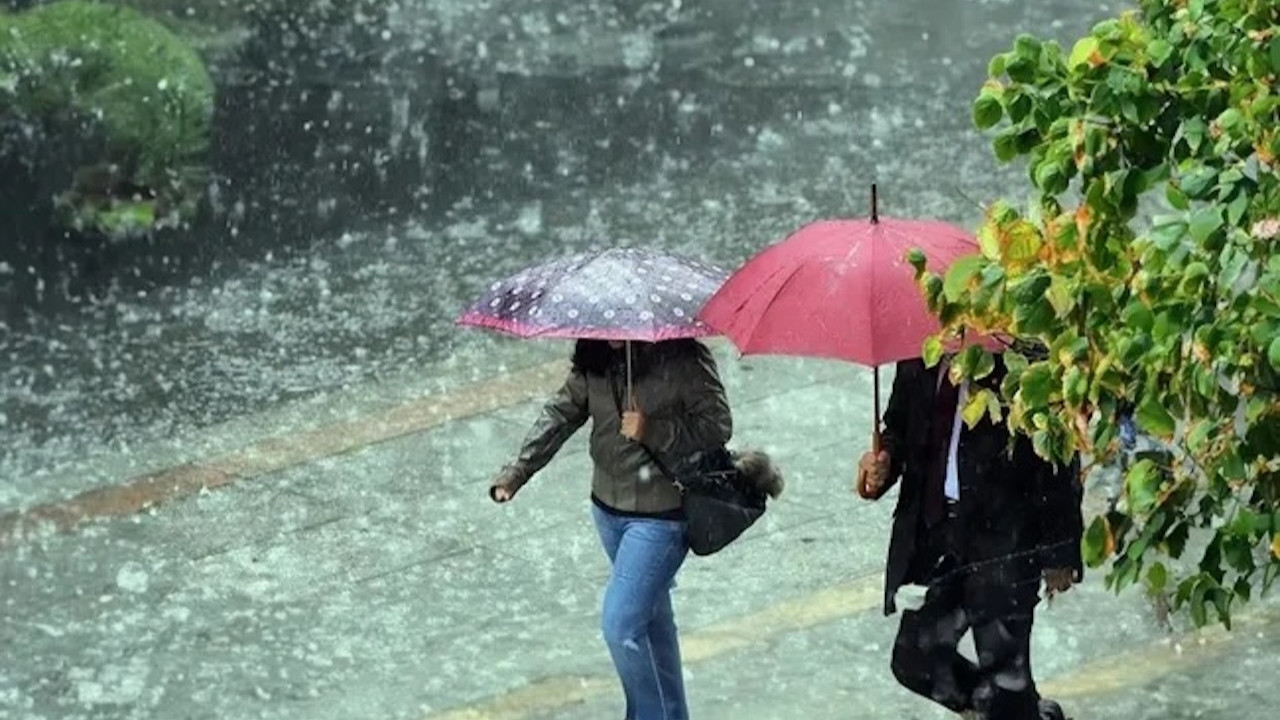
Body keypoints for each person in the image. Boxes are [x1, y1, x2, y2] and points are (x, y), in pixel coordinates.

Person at [490, 338, 753, 720]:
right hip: (607, 510)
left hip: (660, 515)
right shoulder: (594, 355)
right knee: (652, 621)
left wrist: (654, 430)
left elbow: (717, 425)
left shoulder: (684, 357)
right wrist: (519, 470)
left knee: (621, 625)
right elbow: (562, 412)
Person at [855, 354, 1084, 720]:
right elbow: (900, 425)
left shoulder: (1016, 356)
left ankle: (1016, 712)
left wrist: (1061, 550)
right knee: (915, 655)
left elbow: (1058, 456)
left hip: (1006, 541)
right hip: (942, 537)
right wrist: (882, 464)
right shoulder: (920, 353)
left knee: (1005, 674)